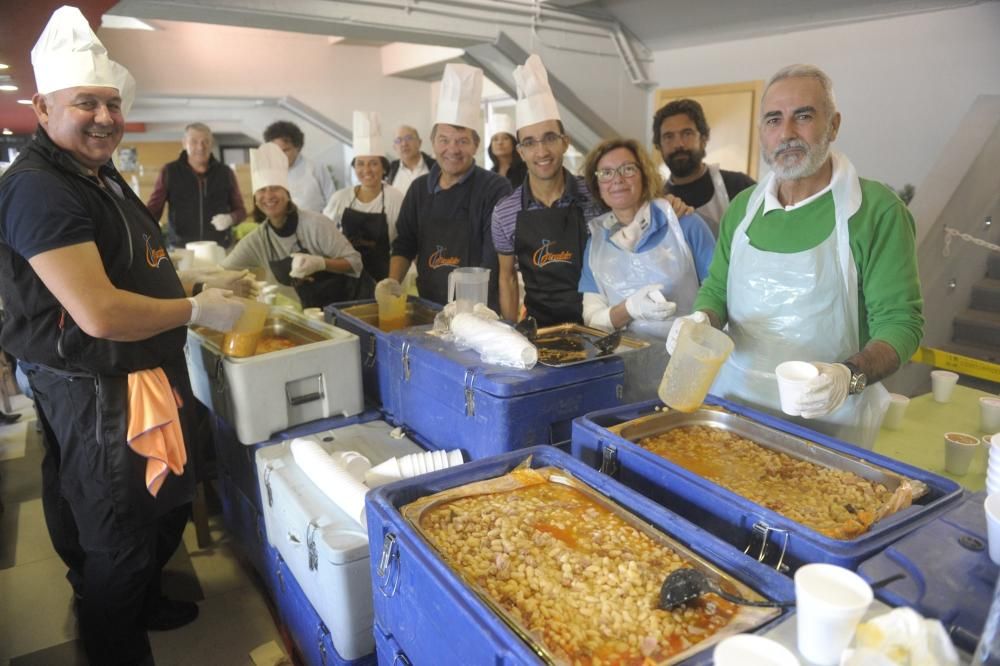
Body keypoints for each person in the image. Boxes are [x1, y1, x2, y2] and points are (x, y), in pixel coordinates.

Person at [0, 7, 244, 664]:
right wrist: (195, 311)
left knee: (159, 506)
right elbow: (99, 314)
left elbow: (135, 260)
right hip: (102, 390)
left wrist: (182, 294)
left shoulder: (94, 173)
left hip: (138, 373)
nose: (107, 116)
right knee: (118, 527)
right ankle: (113, 641)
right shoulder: (40, 189)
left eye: (112, 102)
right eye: (87, 103)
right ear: (44, 108)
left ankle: (136, 601)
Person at [667, 64, 923, 449]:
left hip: (829, 425)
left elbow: (901, 324)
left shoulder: (875, 211)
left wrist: (847, 377)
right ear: (762, 134)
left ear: (833, 126)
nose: (786, 133)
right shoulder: (742, 208)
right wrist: (702, 319)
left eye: (803, 116)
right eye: (774, 120)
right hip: (734, 410)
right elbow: (718, 288)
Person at [579, 137, 714, 400]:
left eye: (628, 169)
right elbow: (592, 319)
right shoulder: (596, 241)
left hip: (689, 374)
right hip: (623, 378)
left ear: (645, 175)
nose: (617, 179)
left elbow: (721, 295)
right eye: (606, 172)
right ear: (597, 184)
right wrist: (629, 309)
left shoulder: (684, 225)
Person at [384, 64, 513, 309]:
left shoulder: (495, 188)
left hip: (480, 311)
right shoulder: (419, 189)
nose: (452, 150)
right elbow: (405, 243)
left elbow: (495, 260)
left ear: (476, 145)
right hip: (428, 306)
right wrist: (392, 282)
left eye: (462, 141)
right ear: (432, 142)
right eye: (444, 140)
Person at [492, 55, 601, 326]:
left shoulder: (597, 197)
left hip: (598, 326)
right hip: (539, 330)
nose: (541, 151)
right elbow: (506, 277)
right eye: (529, 142)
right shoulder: (505, 212)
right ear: (520, 152)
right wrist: (510, 334)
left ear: (565, 142)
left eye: (550, 138)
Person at [224, 142, 364, 308]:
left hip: (338, 312)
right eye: (262, 190)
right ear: (255, 199)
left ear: (287, 194)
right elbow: (224, 270)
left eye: (275, 188)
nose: (268, 196)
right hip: (295, 317)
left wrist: (321, 263)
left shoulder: (316, 224)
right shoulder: (258, 240)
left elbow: (355, 263)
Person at [322, 111, 404, 286]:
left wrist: (393, 281)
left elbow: (405, 243)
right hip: (346, 279)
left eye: (373, 163)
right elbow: (324, 235)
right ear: (354, 167)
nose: (367, 170)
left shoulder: (395, 198)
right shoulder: (340, 198)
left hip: (384, 279)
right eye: (360, 163)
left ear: (383, 167)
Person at [654, 98, 756, 237]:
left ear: (703, 138)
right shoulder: (657, 200)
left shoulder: (739, 186)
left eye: (687, 133)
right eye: (669, 136)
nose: (678, 144)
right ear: (659, 145)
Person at [146, 122, 247, 248]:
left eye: (205, 141)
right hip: (181, 248)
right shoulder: (170, 171)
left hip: (218, 248)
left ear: (211, 144)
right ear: (184, 143)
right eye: (194, 142)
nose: (200, 147)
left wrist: (231, 218)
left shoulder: (225, 173)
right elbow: (153, 210)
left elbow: (241, 211)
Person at [263, 120, 335, 213]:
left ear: (298, 147)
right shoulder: (270, 174)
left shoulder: (316, 168)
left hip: (317, 224)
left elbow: (332, 201)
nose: (280, 155)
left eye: (285, 150)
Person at [386, 125, 435, 194]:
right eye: (398, 140)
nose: (404, 144)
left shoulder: (435, 166)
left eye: (408, 138)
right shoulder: (390, 170)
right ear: (394, 147)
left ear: (419, 142)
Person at [487, 114, 527, 188]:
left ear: (514, 143)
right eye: (495, 139)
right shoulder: (490, 175)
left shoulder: (526, 170)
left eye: (505, 138)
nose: (500, 143)